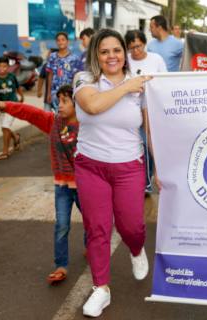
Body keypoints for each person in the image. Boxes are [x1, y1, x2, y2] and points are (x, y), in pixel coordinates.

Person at [73, 29, 153, 317]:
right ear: (96, 54)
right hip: (90, 166)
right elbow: (93, 106)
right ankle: (101, 289)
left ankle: (135, 249)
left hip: (128, 166)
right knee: (97, 229)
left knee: (132, 226)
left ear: (125, 52)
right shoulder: (84, 79)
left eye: (116, 50)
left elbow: (150, 128)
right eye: (104, 51)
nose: (111, 56)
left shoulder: (142, 86)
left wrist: (160, 166)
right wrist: (126, 87)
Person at [0, 84, 85, 284]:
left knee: (92, 223)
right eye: (59, 100)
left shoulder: (89, 127)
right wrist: (5, 105)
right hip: (62, 186)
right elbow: (30, 112)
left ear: (78, 105)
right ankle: (61, 265)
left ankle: (91, 247)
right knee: (61, 225)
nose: (60, 105)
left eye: (65, 101)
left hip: (85, 187)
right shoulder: (53, 123)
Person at [125, 29, 167, 193]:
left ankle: (150, 178)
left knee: (151, 143)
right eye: (132, 47)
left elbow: (164, 82)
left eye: (139, 46)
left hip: (151, 106)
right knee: (138, 144)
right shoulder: (125, 60)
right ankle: (142, 181)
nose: (136, 51)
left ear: (144, 44)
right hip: (130, 106)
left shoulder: (156, 59)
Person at [0, 56, 24, 160]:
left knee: (5, 127)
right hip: (1, 107)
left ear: (8, 67)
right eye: (0, 66)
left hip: (13, 105)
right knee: (5, 128)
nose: (2, 68)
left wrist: (22, 97)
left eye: (4, 66)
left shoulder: (12, 77)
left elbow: (18, 88)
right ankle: (16, 138)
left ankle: (5, 151)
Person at [46, 32, 81, 112]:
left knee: (68, 115)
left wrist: (74, 93)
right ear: (56, 42)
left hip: (68, 93)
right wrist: (48, 93)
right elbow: (50, 75)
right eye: (58, 40)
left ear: (67, 42)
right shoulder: (52, 57)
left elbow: (76, 78)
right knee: (57, 115)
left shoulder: (74, 58)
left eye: (63, 40)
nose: (61, 42)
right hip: (55, 93)